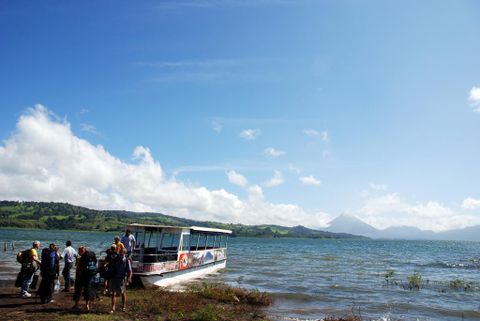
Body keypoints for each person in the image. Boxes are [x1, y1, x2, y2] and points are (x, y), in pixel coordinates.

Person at [72, 246, 97, 311]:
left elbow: (78, 268)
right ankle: (87, 305)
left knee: (78, 290)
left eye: (79, 251)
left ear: (81, 251)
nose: (79, 252)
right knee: (87, 290)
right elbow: (95, 263)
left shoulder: (80, 258)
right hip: (89, 275)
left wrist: (77, 275)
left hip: (81, 276)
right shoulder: (91, 255)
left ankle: (76, 304)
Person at [109, 248, 132, 313]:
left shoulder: (127, 260)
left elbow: (130, 271)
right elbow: (110, 266)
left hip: (122, 278)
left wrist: (129, 279)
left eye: (121, 252)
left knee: (123, 293)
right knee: (113, 293)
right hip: (114, 278)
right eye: (119, 252)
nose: (120, 253)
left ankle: (123, 307)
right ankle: (113, 308)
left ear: (124, 253)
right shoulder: (115, 259)